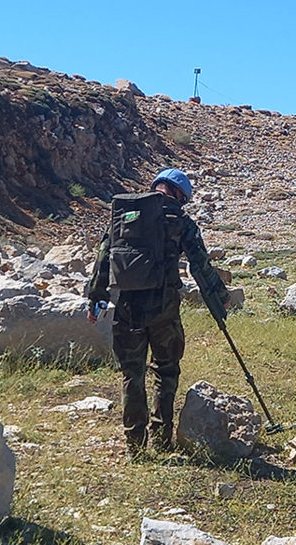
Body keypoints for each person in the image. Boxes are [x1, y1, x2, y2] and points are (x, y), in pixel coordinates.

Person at [86, 168, 230, 454]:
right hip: (164, 307)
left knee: (132, 374)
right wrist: (219, 298)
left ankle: (134, 446)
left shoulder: (126, 213)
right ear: (179, 194)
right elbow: (199, 264)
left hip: (127, 306)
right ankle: (162, 441)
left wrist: (96, 298)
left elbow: (104, 257)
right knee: (166, 371)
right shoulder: (180, 220)